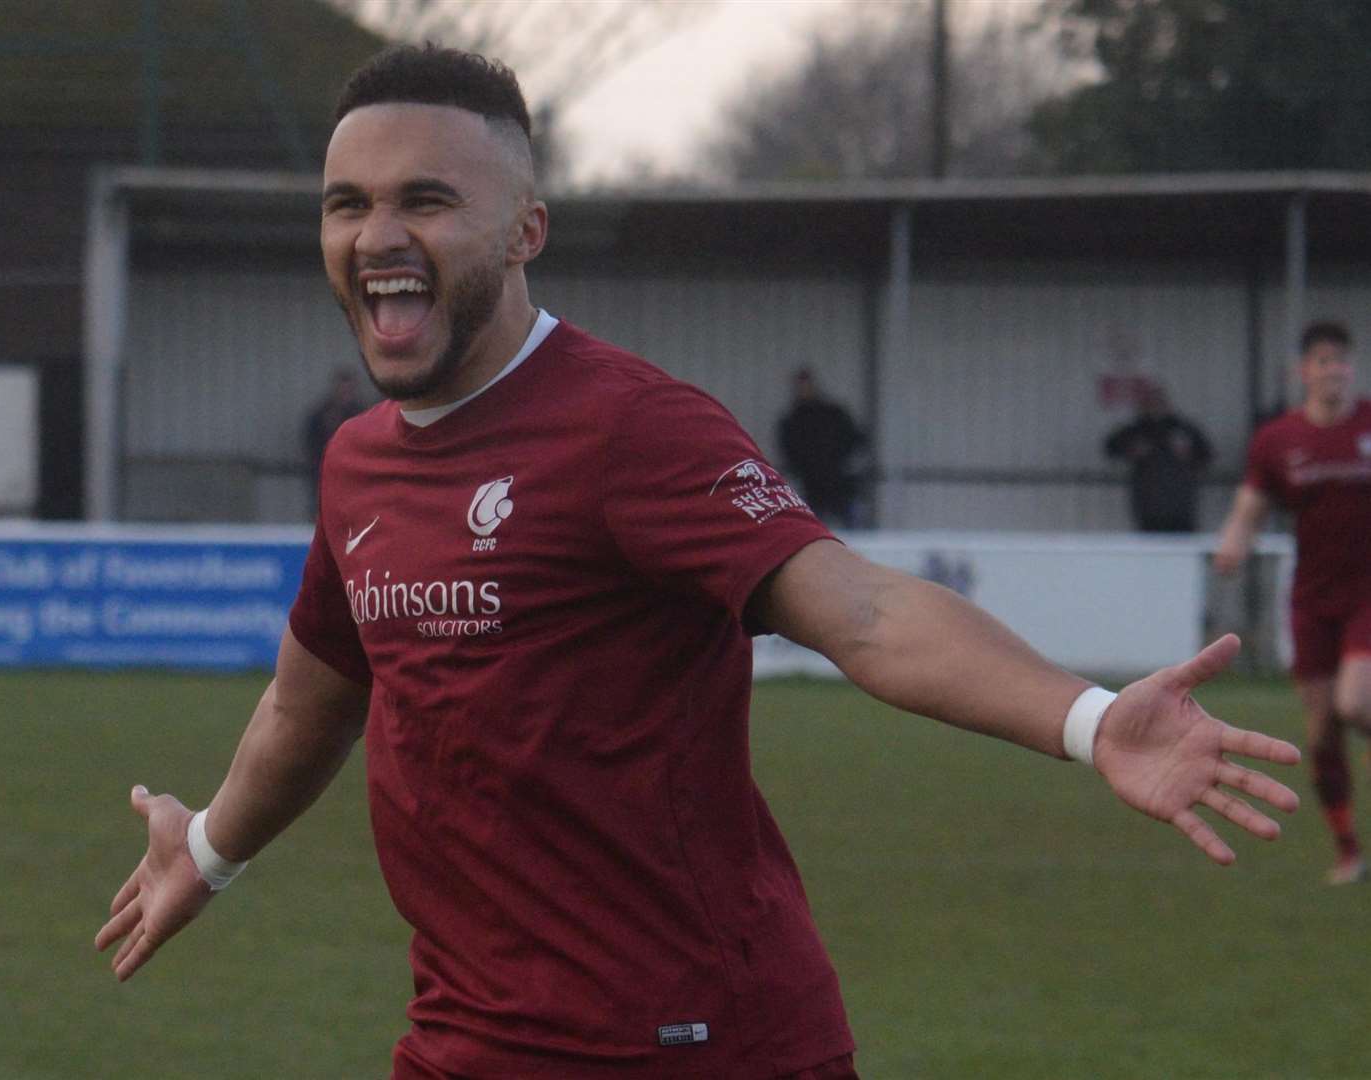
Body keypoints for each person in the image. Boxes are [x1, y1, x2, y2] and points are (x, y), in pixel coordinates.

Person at [97, 45, 1300, 1078]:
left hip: (689, 1039)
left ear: (525, 231)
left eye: (426, 199)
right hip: (466, 1036)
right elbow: (313, 698)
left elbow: (862, 610)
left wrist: (1089, 719)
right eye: (345, 203)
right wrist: (208, 852)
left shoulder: (628, 427)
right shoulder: (359, 463)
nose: (378, 236)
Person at [1215, 320, 1371, 885]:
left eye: (1342, 360)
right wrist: (1235, 540)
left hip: (1368, 594)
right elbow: (1251, 503)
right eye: (1323, 361)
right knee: (1322, 732)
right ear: (1304, 371)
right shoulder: (1278, 439)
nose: (1334, 370)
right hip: (1311, 598)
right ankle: (1349, 848)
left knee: (1356, 704)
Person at [1103, 384, 1214, 532]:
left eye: (1158, 402)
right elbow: (1110, 448)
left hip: (1180, 502)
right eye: (1150, 403)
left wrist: (1188, 453)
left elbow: (1206, 454)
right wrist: (1130, 450)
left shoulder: (1182, 428)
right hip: (1148, 503)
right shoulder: (1137, 429)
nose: (1154, 407)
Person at [777, 368, 868, 527]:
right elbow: (789, 451)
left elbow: (856, 438)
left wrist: (841, 460)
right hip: (811, 484)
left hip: (838, 481)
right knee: (813, 525)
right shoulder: (793, 421)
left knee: (850, 522)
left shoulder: (832, 414)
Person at [303, 368, 366, 514]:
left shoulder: (362, 414)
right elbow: (310, 441)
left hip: (354, 474)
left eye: (348, 390)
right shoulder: (320, 414)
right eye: (341, 389)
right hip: (323, 472)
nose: (344, 394)